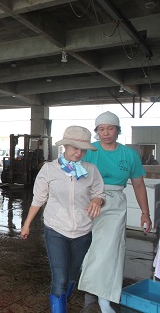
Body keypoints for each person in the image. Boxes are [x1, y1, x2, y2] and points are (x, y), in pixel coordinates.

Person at [21, 126, 105, 313]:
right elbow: (38, 199)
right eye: (75, 147)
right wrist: (26, 225)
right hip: (56, 229)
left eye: (83, 149)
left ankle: (61, 301)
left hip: (83, 232)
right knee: (59, 279)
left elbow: (99, 193)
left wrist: (98, 200)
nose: (78, 152)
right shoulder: (49, 170)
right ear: (65, 146)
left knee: (72, 276)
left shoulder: (90, 170)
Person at [78, 111, 152, 313]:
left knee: (110, 250)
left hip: (115, 203)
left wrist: (145, 213)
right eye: (101, 129)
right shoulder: (90, 151)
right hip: (90, 201)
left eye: (110, 128)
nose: (106, 133)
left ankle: (104, 297)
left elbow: (138, 185)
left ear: (118, 130)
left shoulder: (129, 155)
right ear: (96, 132)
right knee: (87, 245)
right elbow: (75, 174)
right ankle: (89, 288)